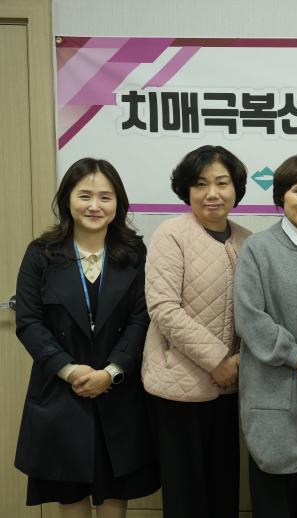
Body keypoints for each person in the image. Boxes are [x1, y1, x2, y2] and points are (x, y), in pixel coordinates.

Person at [14, 158, 159, 517]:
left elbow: (143, 319)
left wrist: (111, 372)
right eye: (85, 196)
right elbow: (29, 321)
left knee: (115, 494)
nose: (95, 206)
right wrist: (70, 370)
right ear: (67, 199)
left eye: (105, 197)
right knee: (70, 494)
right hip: (61, 391)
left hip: (118, 391)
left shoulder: (135, 254)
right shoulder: (41, 254)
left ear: (118, 204)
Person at [141, 145, 251, 518]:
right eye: (200, 184)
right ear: (186, 189)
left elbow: (257, 312)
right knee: (186, 495)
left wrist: (238, 362)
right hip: (178, 386)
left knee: (224, 488)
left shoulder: (247, 240)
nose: (212, 193)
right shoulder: (171, 234)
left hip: (231, 385)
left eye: (222, 182)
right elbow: (163, 308)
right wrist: (218, 360)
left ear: (236, 188)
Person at [234, 155, 297, 518]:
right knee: (273, 495)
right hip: (271, 384)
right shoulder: (258, 247)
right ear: (281, 195)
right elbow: (250, 317)